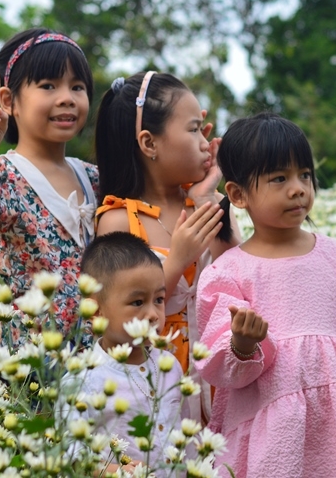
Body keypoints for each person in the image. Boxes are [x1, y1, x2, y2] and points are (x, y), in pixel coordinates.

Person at [195, 112, 336, 478]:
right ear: (238, 194)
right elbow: (222, 366)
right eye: (279, 178)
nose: (298, 188)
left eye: (304, 174)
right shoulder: (227, 272)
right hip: (265, 439)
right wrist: (242, 343)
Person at [0, 28, 99, 348]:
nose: (66, 97)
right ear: (10, 101)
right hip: (35, 368)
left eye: (77, 87)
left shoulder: (94, 177)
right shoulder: (4, 176)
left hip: (104, 364)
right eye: (48, 86)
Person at [93, 71, 240, 421]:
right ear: (149, 143)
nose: (206, 143)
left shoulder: (207, 204)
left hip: (222, 387)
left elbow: (244, 283)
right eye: (193, 130)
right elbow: (119, 317)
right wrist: (178, 260)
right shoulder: (118, 220)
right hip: (156, 394)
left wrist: (208, 197)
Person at [57, 231, 182, 475]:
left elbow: (182, 431)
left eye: (159, 299)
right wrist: (113, 471)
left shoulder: (169, 364)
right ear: (96, 309)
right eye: (137, 302)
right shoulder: (82, 379)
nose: (153, 314)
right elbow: (70, 454)